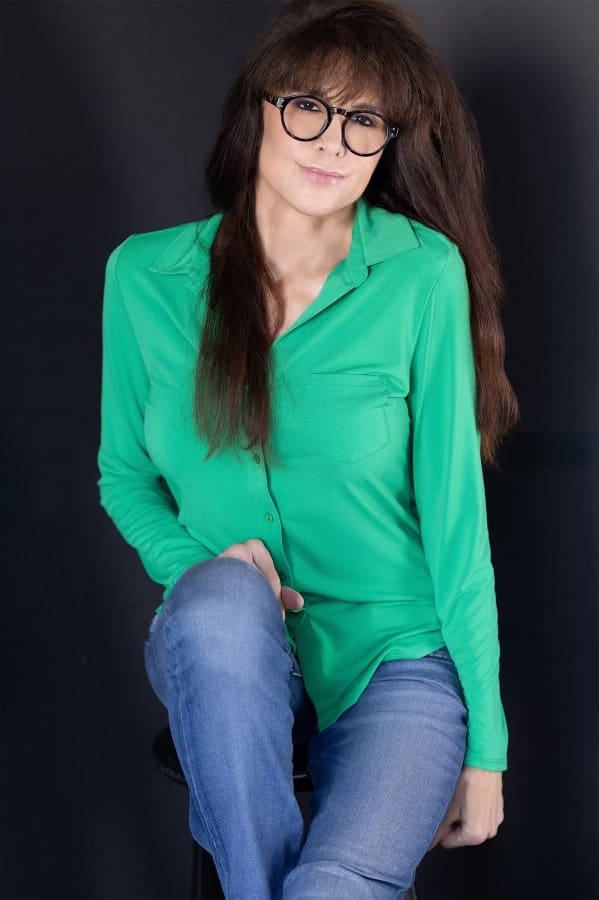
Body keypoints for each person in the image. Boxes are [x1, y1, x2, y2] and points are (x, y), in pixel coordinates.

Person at [97, 0, 520, 897]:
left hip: (391, 651)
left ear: (386, 143)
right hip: (222, 652)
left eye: (363, 121)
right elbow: (124, 477)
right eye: (310, 108)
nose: (332, 142)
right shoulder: (145, 276)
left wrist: (486, 745)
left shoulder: (420, 274)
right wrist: (200, 563)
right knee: (215, 599)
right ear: (260, 109)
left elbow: (455, 523)